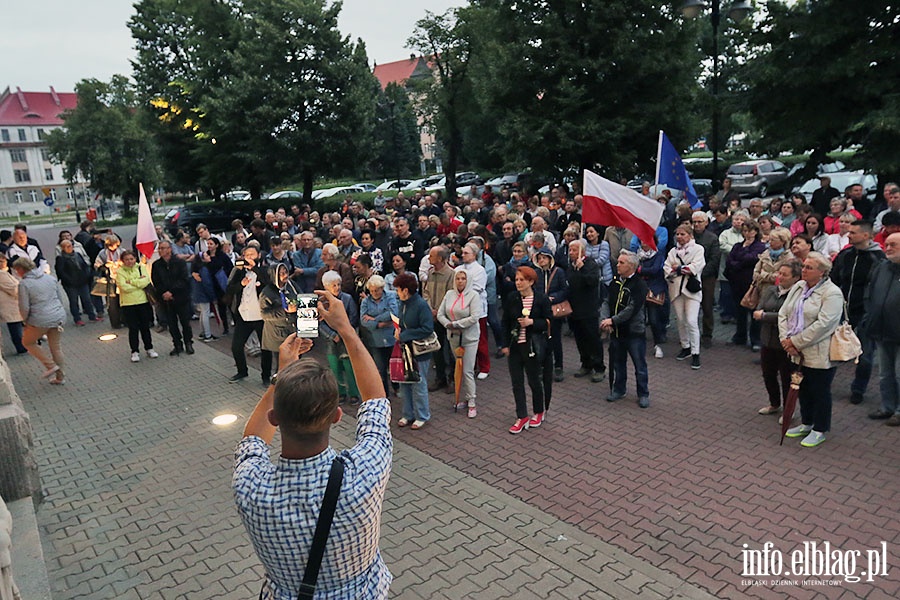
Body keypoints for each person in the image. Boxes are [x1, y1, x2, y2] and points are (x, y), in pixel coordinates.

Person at [233, 305, 392, 599]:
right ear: (337, 416)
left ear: (275, 418)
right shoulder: (365, 472)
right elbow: (375, 402)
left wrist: (283, 374)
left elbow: (252, 439)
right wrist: (345, 329)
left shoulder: (250, 486)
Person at [779, 252, 844, 447]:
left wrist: (796, 342)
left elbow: (825, 325)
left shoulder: (832, 293)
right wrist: (785, 339)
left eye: (809, 267)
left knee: (819, 390)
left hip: (818, 351)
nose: (803, 270)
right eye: (804, 266)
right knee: (802, 388)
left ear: (822, 272)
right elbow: (784, 313)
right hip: (796, 351)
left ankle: (820, 429)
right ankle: (806, 423)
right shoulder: (799, 286)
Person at [830, 220, 884, 405]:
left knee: (866, 355)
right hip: (841, 311)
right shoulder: (845, 255)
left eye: (853, 232)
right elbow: (833, 278)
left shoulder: (879, 259)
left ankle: (858, 389)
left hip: (865, 312)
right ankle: (825, 382)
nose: (849, 235)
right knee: (832, 348)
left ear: (867, 235)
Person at [500, 266, 552, 434]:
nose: (518, 283)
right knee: (517, 382)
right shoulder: (512, 298)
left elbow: (548, 322)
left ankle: (538, 410)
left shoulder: (541, 299)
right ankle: (521, 415)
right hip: (515, 345)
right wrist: (505, 345)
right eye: (516, 280)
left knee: (534, 380)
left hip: (532, 346)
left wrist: (532, 323)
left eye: (522, 280)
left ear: (531, 281)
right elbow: (505, 321)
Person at [601, 251, 650, 408]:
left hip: (634, 332)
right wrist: (604, 320)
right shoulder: (615, 282)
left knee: (639, 365)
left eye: (621, 263)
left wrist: (612, 320)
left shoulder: (639, 285)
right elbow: (606, 301)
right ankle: (619, 389)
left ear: (631, 266)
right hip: (617, 332)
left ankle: (643, 393)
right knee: (618, 363)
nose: (617, 265)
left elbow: (632, 309)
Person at [753, 259, 802, 415]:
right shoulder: (770, 290)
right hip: (767, 340)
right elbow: (759, 308)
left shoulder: (798, 295)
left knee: (787, 378)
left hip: (786, 343)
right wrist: (764, 314)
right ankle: (774, 404)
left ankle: (789, 409)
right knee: (768, 374)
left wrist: (765, 316)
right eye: (779, 273)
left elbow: (787, 316)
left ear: (796, 278)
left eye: (785, 274)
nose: (780, 277)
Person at [12, 257, 67, 384]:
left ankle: (50, 365)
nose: (16, 273)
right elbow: (59, 297)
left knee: (28, 342)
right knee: (56, 347)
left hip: (39, 319)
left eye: (16, 270)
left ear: (21, 269)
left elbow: (24, 307)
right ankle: (60, 377)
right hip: (57, 316)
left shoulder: (24, 284)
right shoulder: (50, 278)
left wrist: (25, 321)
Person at [864, 232, 900, 425]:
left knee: (899, 374)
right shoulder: (882, 267)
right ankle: (887, 407)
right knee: (885, 373)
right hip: (881, 329)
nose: (888, 248)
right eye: (886, 244)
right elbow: (869, 292)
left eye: (893, 244)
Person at [437, 268, 481, 417]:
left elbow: (475, 317)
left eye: (463, 278)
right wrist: (447, 324)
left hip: (469, 338)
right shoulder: (450, 294)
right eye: (458, 278)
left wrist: (456, 324)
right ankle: (461, 397)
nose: (460, 281)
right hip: (453, 337)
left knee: (468, 369)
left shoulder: (474, 296)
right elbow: (440, 313)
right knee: (459, 369)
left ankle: (472, 401)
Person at [226, 245, 272, 384]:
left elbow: (270, 285)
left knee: (265, 348)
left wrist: (255, 269)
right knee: (236, 346)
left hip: (260, 316)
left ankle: (265, 376)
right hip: (243, 315)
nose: (249, 257)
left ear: (258, 256)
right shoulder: (239, 271)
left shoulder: (264, 270)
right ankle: (242, 371)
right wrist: (241, 284)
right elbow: (229, 289)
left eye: (252, 254)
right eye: (246, 255)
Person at [394, 272, 433, 430]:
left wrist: (404, 334)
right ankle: (408, 413)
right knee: (405, 382)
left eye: (398, 289)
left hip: (420, 350)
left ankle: (422, 415)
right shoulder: (403, 303)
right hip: (406, 348)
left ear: (405, 290)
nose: (397, 292)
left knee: (419, 382)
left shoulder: (421, 305)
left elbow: (427, 328)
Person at [664, 224, 706, 370]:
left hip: (691, 290)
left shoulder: (698, 249)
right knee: (680, 320)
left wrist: (679, 268)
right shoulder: (672, 251)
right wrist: (679, 270)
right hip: (676, 290)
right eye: (678, 234)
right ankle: (685, 346)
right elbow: (666, 268)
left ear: (690, 235)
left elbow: (695, 267)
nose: (680, 237)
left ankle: (696, 352)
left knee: (691, 320)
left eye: (683, 234)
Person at [320, 270, 361, 405]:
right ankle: (340, 393)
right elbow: (319, 322)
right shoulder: (321, 302)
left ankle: (354, 393)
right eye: (333, 285)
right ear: (326, 287)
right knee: (335, 368)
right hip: (331, 340)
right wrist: (332, 335)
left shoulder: (347, 299)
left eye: (338, 285)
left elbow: (353, 317)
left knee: (349, 367)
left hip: (345, 338)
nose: (337, 288)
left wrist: (344, 331)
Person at [725, 218, 766, 350]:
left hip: (751, 284)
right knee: (739, 311)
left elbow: (751, 258)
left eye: (749, 231)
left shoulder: (759, 246)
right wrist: (739, 261)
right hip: (736, 282)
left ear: (755, 232)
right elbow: (730, 260)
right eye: (744, 231)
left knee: (753, 311)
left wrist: (739, 260)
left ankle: (755, 339)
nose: (747, 234)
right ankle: (740, 336)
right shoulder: (737, 245)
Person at [151, 241, 194, 356]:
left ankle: (188, 343)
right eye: (159, 249)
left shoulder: (179, 262)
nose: (161, 251)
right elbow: (156, 281)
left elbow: (184, 279)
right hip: (166, 300)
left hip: (180, 297)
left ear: (169, 249)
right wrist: (164, 293)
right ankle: (177, 344)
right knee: (172, 323)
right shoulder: (157, 265)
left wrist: (172, 291)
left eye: (163, 248)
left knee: (185, 322)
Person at [421, 246, 455, 392]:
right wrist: (430, 309)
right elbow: (425, 292)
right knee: (437, 349)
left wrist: (438, 311)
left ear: (440, 259)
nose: (429, 259)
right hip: (432, 316)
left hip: (446, 317)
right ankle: (440, 378)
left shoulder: (451, 274)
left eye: (431, 256)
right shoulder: (430, 272)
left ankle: (452, 379)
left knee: (450, 349)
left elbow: (450, 295)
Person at [115, 250, 158, 362]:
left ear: (135, 259)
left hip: (142, 302)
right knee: (133, 329)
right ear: (123, 261)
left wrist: (131, 282)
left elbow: (146, 281)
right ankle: (134, 351)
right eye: (127, 259)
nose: (129, 261)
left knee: (145, 327)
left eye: (132, 259)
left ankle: (149, 348)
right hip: (128, 304)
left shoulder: (141, 268)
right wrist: (137, 283)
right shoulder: (120, 271)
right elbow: (123, 287)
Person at [359, 275, 399, 397]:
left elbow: (393, 313)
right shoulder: (366, 301)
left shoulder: (391, 296)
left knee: (393, 367)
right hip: (375, 339)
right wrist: (380, 324)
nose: (374, 293)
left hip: (391, 338)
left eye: (376, 290)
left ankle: (396, 387)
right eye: (371, 291)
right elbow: (363, 320)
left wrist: (374, 319)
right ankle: (384, 394)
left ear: (382, 288)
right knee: (380, 369)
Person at [533, 247, 567, 381]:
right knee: (542, 340)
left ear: (550, 259)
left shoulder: (559, 272)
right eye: (539, 258)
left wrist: (554, 297)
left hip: (554, 311)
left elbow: (564, 290)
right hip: (541, 311)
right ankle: (543, 366)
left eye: (544, 258)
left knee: (556, 339)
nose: (541, 260)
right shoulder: (536, 273)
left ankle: (558, 367)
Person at [259, 263, 299, 371]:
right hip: (277, 334)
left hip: (292, 328)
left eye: (286, 272)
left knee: (296, 360)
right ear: (275, 275)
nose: (286, 275)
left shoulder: (292, 285)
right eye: (282, 273)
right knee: (282, 364)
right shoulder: (266, 293)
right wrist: (284, 310)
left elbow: (301, 297)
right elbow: (264, 314)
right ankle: (278, 385)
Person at [691, 212, 721, 347]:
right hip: (690, 276)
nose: (696, 225)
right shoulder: (688, 236)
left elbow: (714, 260)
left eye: (699, 222)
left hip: (706, 277)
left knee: (707, 306)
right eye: (694, 222)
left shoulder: (712, 238)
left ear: (706, 222)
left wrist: (700, 273)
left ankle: (707, 335)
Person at [55, 239, 98, 325]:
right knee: (74, 301)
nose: (70, 248)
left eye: (71, 245)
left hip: (82, 282)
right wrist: (69, 281)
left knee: (87, 299)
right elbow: (60, 272)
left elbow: (84, 266)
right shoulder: (61, 259)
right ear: (63, 248)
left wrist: (86, 276)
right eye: (68, 246)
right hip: (70, 284)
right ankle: (77, 318)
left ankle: (92, 316)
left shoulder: (77, 255)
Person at [637, 238, 668, 359]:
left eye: (647, 241)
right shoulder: (637, 255)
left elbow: (655, 270)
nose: (644, 243)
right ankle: (639, 344)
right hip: (640, 290)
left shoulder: (659, 255)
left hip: (654, 290)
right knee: (640, 318)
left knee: (654, 319)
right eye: (642, 241)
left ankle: (658, 344)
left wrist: (641, 270)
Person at [0, 254, 27, 355]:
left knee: (16, 327)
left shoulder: (5, 273)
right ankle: (21, 348)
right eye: (0, 261)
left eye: (3, 260)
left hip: (13, 305)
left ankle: (23, 346)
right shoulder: (1, 274)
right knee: (15, 328)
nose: (2, 263)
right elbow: (14, 289)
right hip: (10, 305)